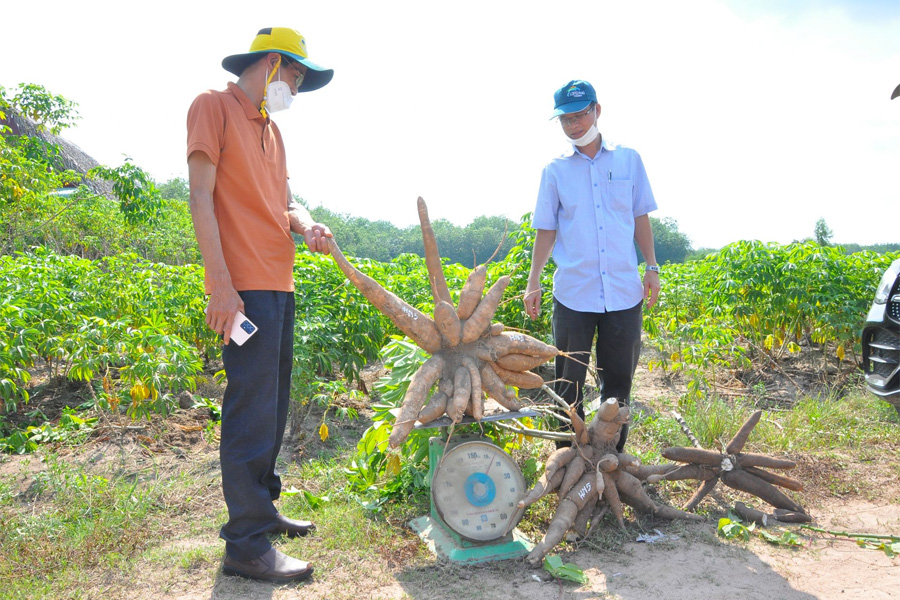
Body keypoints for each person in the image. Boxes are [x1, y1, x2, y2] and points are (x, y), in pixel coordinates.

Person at [186, 27, 334, 584]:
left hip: (279, 284)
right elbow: (201, 196)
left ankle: (263, 510)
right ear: (271, 64)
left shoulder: (273, 133)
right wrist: (219, 287)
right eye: (295, 76)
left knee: (270, 408)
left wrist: (305, 221)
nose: (295, 88)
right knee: (250, 410)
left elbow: (284, 201)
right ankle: (245, 544)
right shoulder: (213, 108)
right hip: (241, 289)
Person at [524, 80, 660, 451]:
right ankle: (568, 460)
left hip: (623, 292)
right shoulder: (555, 171)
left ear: (597, 110)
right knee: (568, 383)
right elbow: (546, 228)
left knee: (618, 385)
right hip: (573, 293)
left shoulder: (628, 160)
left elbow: (640, 217)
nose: (574, 125)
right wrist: (533, 280)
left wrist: (651, 266)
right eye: (566, 119)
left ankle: (611, 460)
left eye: (581, 114)